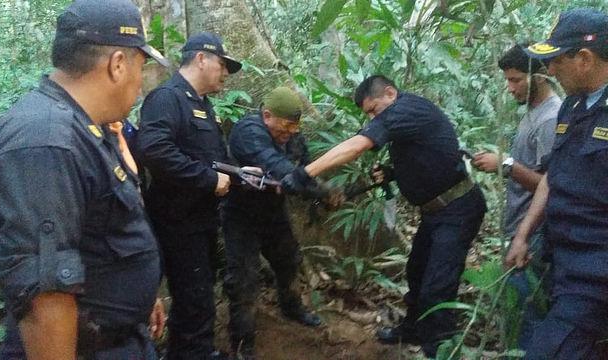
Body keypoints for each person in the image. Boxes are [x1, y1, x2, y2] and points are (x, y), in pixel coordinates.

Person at [0, 0, 169, 359]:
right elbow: (46, 298)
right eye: (142, 67)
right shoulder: (46, 143)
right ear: (118, 64)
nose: (140, 85)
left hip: (119, 339)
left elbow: (104, 233)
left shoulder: (87, 129)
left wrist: (138, 301)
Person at [282, 75, 487, 357]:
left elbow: (357, 145)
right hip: (435, 212)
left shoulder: (406, 109)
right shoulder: (404, 116)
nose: (371, 118)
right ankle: (412, 329)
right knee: (417, 272)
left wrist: (305, 172)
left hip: (457, 208)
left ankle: (438, 349)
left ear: (390, 93)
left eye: (373, 110)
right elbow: (426, 154)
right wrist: (392, 172)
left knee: (437, 287)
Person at [506, 8, 608, 359]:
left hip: (593, 271)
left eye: (556, 62)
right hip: (557, 255)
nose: (549, 71)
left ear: (584, 58)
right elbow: (554, 175)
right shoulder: (572, 107)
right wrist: (523, 234)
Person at [133, 32, 241, 359]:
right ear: (201, 59)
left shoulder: (201, 103)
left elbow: (209, 154)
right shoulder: (167, 98)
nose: (226, 73)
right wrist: (209, 179)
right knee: (194, 299)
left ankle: (192, 351)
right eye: (222, 65)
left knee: (198, 297)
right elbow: (154, 150)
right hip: (177, 224)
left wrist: (239, 173)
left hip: (201, 220)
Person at [471, 43, 561, 348]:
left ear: (540, 76)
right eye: (507, 80)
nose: (510, 88)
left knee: (527, 313)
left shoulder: (551, 119)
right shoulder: (534, 113)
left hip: (534, 234)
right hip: (520, 229)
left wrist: (506, 165)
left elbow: (552, 184)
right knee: (516, 310)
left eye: (515, 80)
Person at [223, 87, 322, 359]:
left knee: (289, 261)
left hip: (273, 213)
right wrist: (319, 191)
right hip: (241, 215)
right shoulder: (249, 131)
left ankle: (291, 308)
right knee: (243, 280)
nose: (290, 132)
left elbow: (306, 167)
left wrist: (312, 186)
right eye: (286, 126)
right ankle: (243, 343)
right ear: (267, 115)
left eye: (295, 127)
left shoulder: (293, 135)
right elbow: (278, 166)